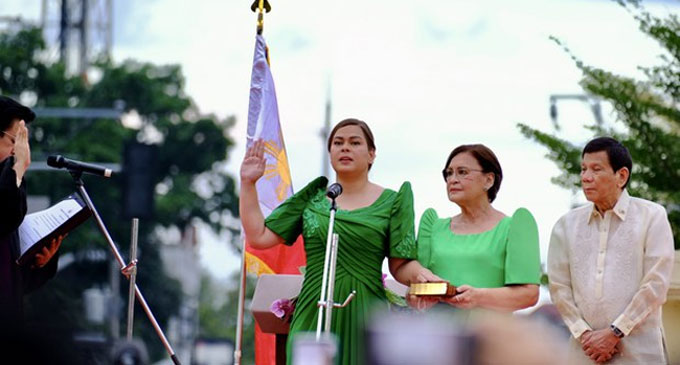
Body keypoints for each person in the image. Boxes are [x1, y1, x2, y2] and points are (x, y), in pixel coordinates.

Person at [240, 118, 438, 364]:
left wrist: (421, 274)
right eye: (338, 143)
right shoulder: (313, 197)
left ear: (371, 154)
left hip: (365, 314)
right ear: (330, 152)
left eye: (355, 142)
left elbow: (401, 264)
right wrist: (248, 184)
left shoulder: (393, 201)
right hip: (314, 310)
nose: (345, 148)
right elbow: (259, 237)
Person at [548, 137, 675, 364]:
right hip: (583, 352)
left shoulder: (652, 216)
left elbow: (656, 285)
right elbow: (559, 287)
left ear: (622, 176)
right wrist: (585, 335)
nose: (586, 177)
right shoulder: (565, 225)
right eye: (583, 169)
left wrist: (615, 332)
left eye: (596, 169)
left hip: (640, 353)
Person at [408, 144, 541, 312]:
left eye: (462, 172)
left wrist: (477, 297)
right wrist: (415, 297)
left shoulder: (514, 227)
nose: (452, 179)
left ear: (489, 180)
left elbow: (529, 295)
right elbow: (415, 290)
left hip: (490, 335)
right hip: (438, 334)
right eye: (448, 173)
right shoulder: (433, 228)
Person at [0, 95, 62, 328]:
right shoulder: (8, 183)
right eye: (15, 140)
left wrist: (38, 263)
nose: (20, 150)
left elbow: (14, 282)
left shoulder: (8, 184)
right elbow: (6, 216)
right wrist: (17, 169)